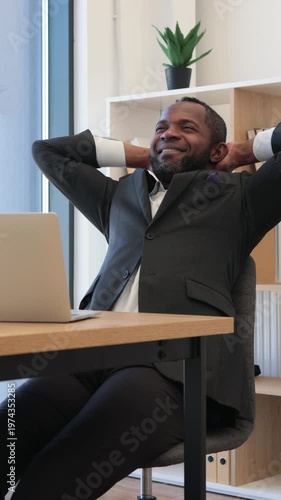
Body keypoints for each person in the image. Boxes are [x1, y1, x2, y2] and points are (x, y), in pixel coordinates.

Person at [1, 96, 281, 500]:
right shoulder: (118, 197)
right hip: (91, 358)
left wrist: (243, 150)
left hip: (177, 369)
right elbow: (46, 151)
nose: (169, 132)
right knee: (11, 429)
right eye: (161, 127)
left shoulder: (241, 197)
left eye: (187, 128)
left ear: (216, 149)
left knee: (58, 468)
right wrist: (146, 155)